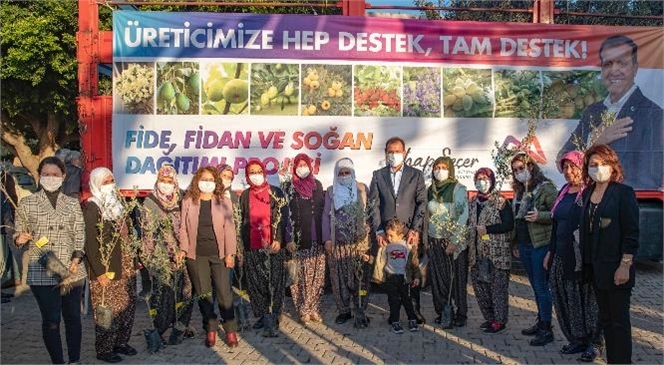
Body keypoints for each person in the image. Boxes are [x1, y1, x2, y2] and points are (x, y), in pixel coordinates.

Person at [558, 35, 663, 190]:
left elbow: (651, 177)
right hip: (592, 201)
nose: (614, 70)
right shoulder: (593, 111)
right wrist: (596, 141)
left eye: (621, 63)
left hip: (630, 204)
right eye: (608, 64)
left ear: (635, 68)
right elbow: (562, 160)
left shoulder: (653, 114)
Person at [13, 157, 86, 364]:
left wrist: (77, 256)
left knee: (73, 318)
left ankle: (74, 360)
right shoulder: (28, 203)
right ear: (39, 175)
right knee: (51, 320)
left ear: (63, 176)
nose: (50, 178)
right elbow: (19, 232)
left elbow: (79, 232)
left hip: (71, 269)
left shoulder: (72, 203)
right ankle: (58, 361)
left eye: (55, 174)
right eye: (46, 174)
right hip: (42, 268)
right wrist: (20, 238)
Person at [580, 144, 639, 364]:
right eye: (593, 165)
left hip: (617, 268)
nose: (598, 168)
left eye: (603, 164)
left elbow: (631, 233)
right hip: (596, 268)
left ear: (612, 166)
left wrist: (625, 265)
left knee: (619, 322)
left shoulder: (623, 193)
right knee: (605, 320)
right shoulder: (588, 192)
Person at [544, 151, 603, 361]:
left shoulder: (589, 193)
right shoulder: (564, 191)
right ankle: (576, 338)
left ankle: (594, 343)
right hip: (560, 255)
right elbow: (556, 225)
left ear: (583, 167)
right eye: (565, 167)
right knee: (565, 299)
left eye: (573, 167)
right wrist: (550, 252)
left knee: (587, 301)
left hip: (580, 258)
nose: (568, 172)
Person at [368, 136, 427, 324]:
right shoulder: (378, 175)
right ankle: (394, 312)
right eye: (390, 152)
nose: (394, 155)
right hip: (388, 235)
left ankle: (414, 311)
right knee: (392, 273)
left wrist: (415, 229)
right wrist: (379, 231)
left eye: (397, 151)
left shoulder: (416, 175)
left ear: (405, 152)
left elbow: (422, 202)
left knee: (411, 270)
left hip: (409, 233)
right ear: (386, 153)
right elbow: (373, 204)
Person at [179, 166, 238, 348]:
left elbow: (229, 229)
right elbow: (183, 227)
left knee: (224, 293)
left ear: (216, 182)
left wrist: (230, 253)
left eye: (211, 179)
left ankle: (230, 330)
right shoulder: (189, 200)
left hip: (219, 255)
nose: (207, 182)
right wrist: (183, 249)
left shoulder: (224, 202)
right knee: (204, 294)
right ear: (197, 180)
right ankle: (210, 329)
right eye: (203, 179)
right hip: (196, 256)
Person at [84, 167, 138, 363]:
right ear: (96, 184)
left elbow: (129, 234)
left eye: (111, 180)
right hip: (106, 266)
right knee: (106, 308)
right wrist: (99, 272)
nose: (109, 185)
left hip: (125, 263)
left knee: (126, 304)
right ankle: (104, 348)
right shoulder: (92, 206)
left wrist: (134, 259)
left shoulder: (118, 204)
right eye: (105, 182)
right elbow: (90, 242)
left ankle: (121, 342)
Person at [140, 165, 195, 344]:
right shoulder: (151, 201)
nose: (166, 185)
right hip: (161, 257)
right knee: (165, 295)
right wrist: (149, 259)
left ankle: (181, 327)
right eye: (163, 181)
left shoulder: (182, 199)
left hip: (183, 253)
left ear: (175, 182)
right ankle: (160, 330)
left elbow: (189, 226)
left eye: (169, 181)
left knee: (186, 291)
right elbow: (148, 233)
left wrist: (184, 250)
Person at [510, 152, 557, 346]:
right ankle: (541, 321)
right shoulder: (520, 190)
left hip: (539, 244)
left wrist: (541, 216)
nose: (518, 173)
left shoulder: (546, 188)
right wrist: (514, 243)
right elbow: (517, 219)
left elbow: (557, 214)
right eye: (515, 170)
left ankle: (547, 329)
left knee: (541, 286)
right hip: (524, 244)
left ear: (531, 166)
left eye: (521, 168)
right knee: (535, 286)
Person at [238, 160, 288, 337]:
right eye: (252, 172)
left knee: (275, 283)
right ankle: (262, 315)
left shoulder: (276, 192)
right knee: (256, 284)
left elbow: (283, 218)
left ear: (265, 173)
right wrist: (241, 248)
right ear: (247, 175)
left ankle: (274, 316)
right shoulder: (245, 195)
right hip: (253, 246)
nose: (256, 175)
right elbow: (241, 221)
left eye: (259, 171)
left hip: (273, 246)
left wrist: (279, 239)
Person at [322, 158, 372, 326]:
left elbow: (370, 212)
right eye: (340, 173)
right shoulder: (331, 191)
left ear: (353, 173)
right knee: (339, 279)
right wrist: (327, 239)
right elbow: (325, 216)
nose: (344, 176)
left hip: (358, 244)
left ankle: (360, 309)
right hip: (338, 244)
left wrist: (368, 227)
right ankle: (344, 311)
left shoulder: (362, 189)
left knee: (360, 278)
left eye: (347, 172)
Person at [467, 167, 514, 334]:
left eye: (485, 178)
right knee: (480, 288)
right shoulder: (472, 202)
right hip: (477, 253)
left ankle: (500, 321)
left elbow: (509, 224)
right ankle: (490, 318)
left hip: (496, 253)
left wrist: (488, 229)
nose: (482, 182)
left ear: (492, 181)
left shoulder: (501, 202)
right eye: (478, 178)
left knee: (498, 288)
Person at [424, 156, 469, 328]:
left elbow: (463, 216)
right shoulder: (431, 190)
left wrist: (455, 241)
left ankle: (461, 314)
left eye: (443, 167)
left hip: (452, 243)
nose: (439, 170)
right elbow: (428, 216)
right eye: (437, 167)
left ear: (450, 169)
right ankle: (443, 311)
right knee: (439, 280)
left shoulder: (458, 189)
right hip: (435, 241)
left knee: (456, 279)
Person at [282, 153, 326, 324]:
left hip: (318, 238)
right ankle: (303, 309)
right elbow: (286, 215)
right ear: (294, 168)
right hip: (300, 240)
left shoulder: (317, 185)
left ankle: (314, 308)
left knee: (318, 276)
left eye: (304, 164)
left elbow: (323, 210)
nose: (302, 168)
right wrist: (288, 239)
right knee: (302, 277)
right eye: (298, 165)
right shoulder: (289, 187)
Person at [377, 218, 421, 334]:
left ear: (400, 234)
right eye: (387, 235)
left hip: (404, 278)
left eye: (391, 236)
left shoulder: (407, 246)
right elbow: (379, 260)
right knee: (393, 300)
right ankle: (395, 321)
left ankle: (412, 319)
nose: (388, 238)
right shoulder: (386, 246)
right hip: (391, 277)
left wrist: (416, 277)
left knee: (407, 299)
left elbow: (414, 263)